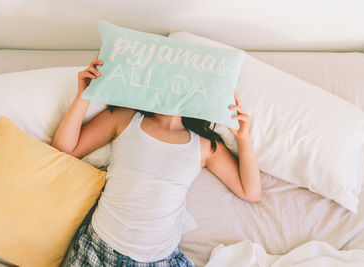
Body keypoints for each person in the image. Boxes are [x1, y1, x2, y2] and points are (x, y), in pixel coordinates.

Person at [51, 54, 261, 267]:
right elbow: (65, 149)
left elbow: (250, 192)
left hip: (159, 261)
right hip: (100, 250)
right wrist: (84, 96)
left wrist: (243, 139)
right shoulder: (125, 119)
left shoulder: (204, 145)